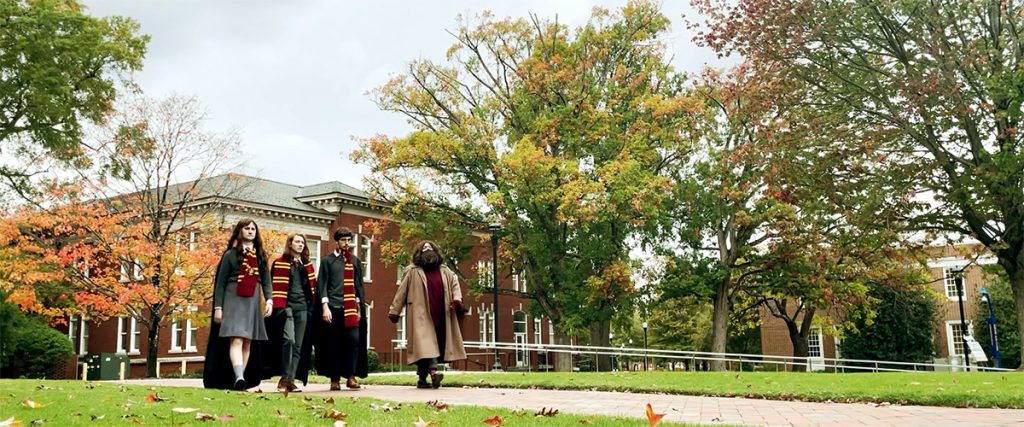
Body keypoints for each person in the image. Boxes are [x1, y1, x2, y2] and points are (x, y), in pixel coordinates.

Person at [203, 219, 273, 390]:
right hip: (233, 297)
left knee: (247, 341)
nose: (250, 231)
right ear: (240, 231)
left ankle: (240, 377)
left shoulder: (260, 255)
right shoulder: (230, 255)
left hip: (253, 299)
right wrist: (218, 308)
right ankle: (239, 377)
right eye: (247, 228)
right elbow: (220, 283)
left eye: (253, 229)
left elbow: (266, 281)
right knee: (236, 339)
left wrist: (269, 300)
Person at [388, 240, 466, 389]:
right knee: (427, 345)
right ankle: (434, 373)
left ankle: (422, 379)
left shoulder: (445, 270)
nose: (428, 249)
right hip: (420, 315)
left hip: (442, 314)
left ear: (436, 252)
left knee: (429, 347)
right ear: (418, 253)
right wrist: (394, 310)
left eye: (431, 247)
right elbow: (401, 292)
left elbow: (455, 285)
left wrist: (457, 300)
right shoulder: (412, 271)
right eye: (424, 248)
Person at [314, 227, 368, 390]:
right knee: (333, 344)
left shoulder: (355, 261)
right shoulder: (327, 261)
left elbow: (358, 285)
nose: (346, 243)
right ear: (336, 241)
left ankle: (351, 376)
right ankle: (334, 379)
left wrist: (359, 307)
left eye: (348, 240)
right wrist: (325, 307)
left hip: (351, 308)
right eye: (343, 240)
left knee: (353, 341)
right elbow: (322, 284)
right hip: (333, 307)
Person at [264, 234, 316, 393]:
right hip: (286, 307)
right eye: (297, 242)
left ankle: (289, 380)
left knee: (299, 346)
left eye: (302, 242)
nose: (300, 245)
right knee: (289, 340)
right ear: (290, 244)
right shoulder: (279, 263)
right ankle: (285, 378)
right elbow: (273, 286)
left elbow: (312, 290)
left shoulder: (307, 265)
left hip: (303, 308)